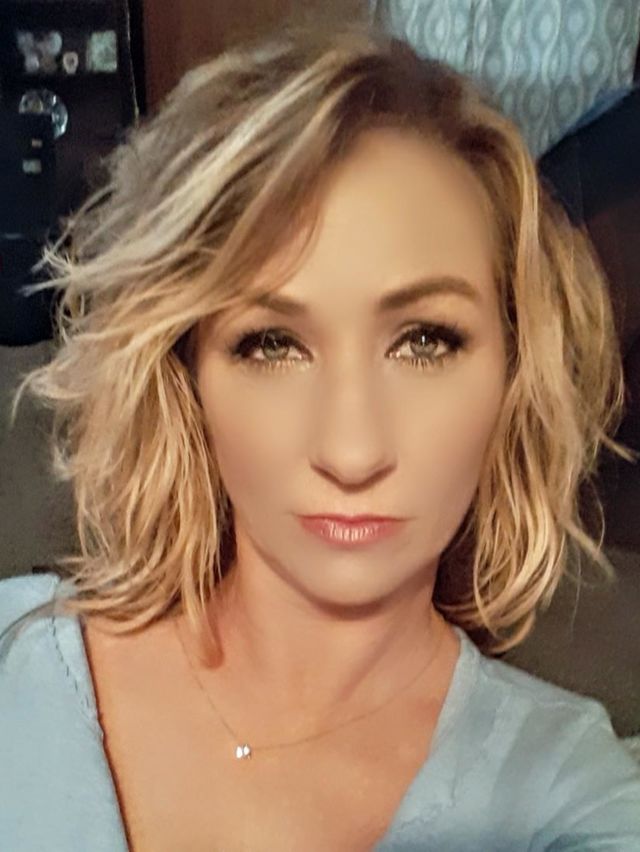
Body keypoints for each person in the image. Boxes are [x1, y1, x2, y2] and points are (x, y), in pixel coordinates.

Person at [1, 16, 640, 852]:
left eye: (425, 341)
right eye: (272, 344)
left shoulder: (567, 793)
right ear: (185, 373)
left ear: (516, 373)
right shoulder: (15, 657)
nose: (351, 452)